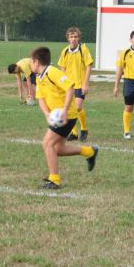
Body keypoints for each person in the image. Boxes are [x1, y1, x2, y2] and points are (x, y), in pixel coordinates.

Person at [30, 46, 99, 190]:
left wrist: (65, 109)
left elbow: (69, 87)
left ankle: (54, 180)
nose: (30, 64)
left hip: (67, 115)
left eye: (31, 61)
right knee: (58, 149)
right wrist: (47, 114)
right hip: (58, 116)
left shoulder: (52, 72)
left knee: (47, 144)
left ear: (36, 61)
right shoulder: (39, 77)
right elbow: (41, 97)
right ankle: (90, 152)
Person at [57, 27, 93, 142]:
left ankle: (84, 129)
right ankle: (74, 133)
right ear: (68, 38)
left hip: (80, 84)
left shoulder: (84, 50)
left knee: (77, 107)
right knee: (70, 109)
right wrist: (61, 85)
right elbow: (62, 69)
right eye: (71, 37)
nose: (73, 39)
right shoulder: (65, 52)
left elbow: (89, 66)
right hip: (68, 86)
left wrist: (86, 84)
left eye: (75, 37)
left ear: (79, 38)